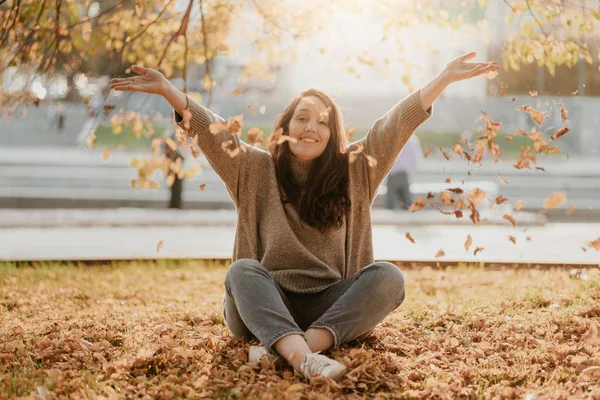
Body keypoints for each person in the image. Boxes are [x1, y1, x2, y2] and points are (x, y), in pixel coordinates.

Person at [109, 52, 499, 382]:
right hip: (261, 303)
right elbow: (214, 133)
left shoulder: (355, 169)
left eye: (323, 121)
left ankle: (291, 352)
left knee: (389, 278)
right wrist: (168, 91)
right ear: (286, 126)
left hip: (327, 308)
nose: (312, 127)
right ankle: (305, 356)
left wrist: (444, 79)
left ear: (333, 133)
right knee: (241, 271)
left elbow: (394, 125)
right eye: (302, 118)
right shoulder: (254, 168)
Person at [385, 134, 423, 209]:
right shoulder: (412, 140)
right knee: (407, 204)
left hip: (392, 175)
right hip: (404, 174)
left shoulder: (390, 138)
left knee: (390, 205)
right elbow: (416, 160)